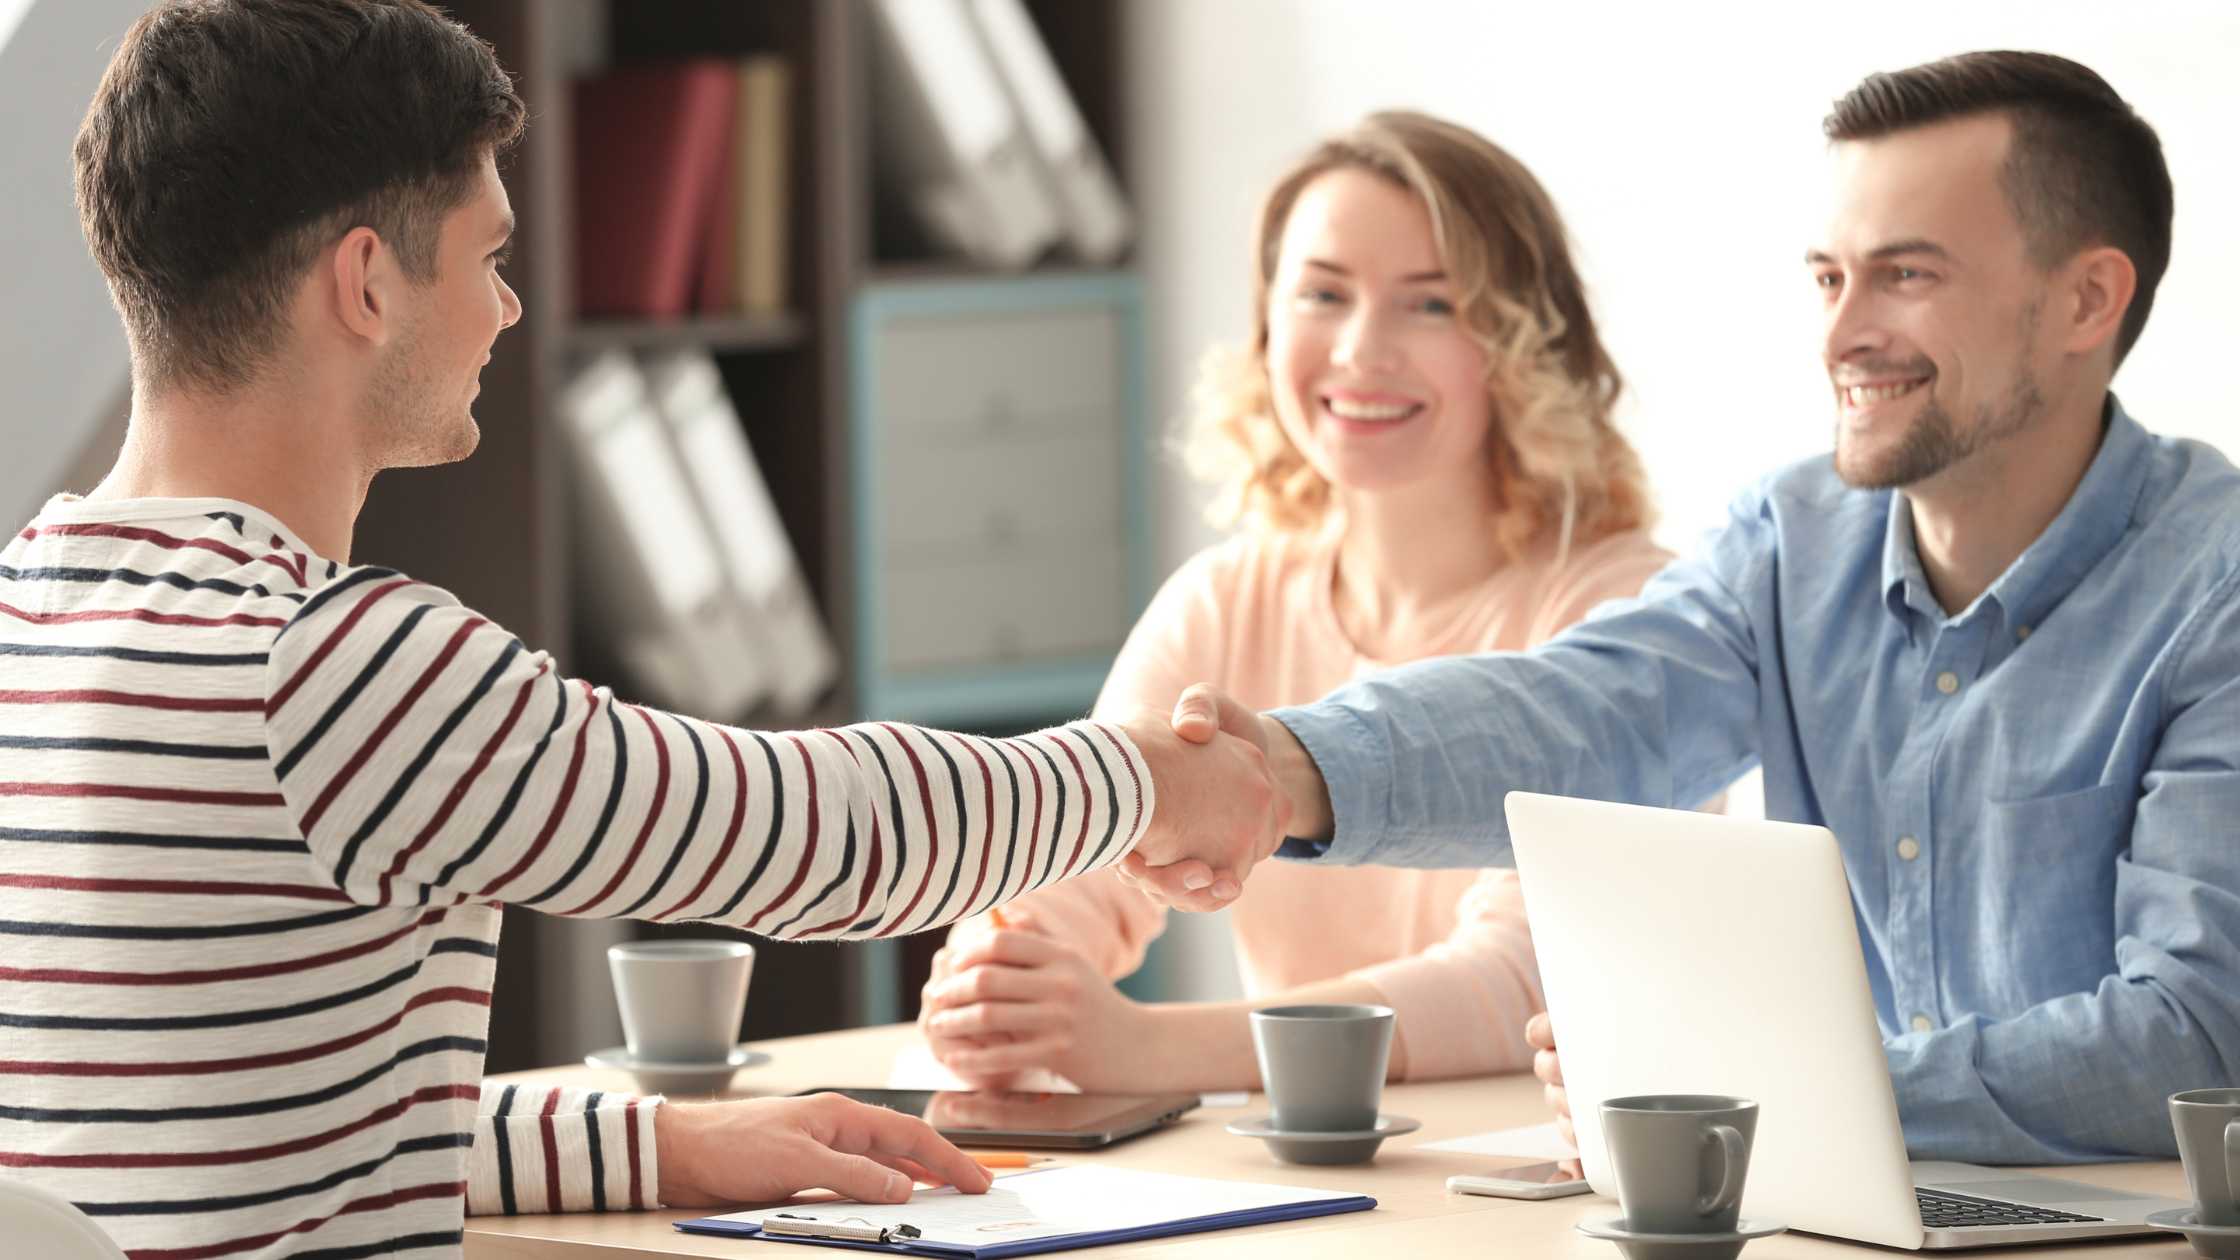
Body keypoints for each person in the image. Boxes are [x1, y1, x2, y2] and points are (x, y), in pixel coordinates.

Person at [0, 2, 1280, 1255]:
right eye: (490, 256)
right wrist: (1148, 781)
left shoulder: (23, 613)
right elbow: (812, 837)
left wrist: (660, 1143)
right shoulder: (332, 666)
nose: (506, 309)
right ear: (367, 282)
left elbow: (246, 1135)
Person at [1134, 50, 2240, 1164]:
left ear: (2086, 300)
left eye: (1904, 275)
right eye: (1826, 278)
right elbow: (1586, 714)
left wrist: (1776, 1089)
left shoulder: (2217, 590)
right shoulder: (1788, 541)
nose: (1840, 333)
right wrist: (1287, 770)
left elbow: (2197, 1036)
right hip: (1857, 1217)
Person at [914, 112, 1677, 1092]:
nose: (1360, 351)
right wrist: (999, 976)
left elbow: (1525, 976)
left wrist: (1151, 1049)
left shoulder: (1623, 608)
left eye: (1430, 305)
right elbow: (1074, 856)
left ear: (1525, 343)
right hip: (1290, 1183)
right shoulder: (1223, 602)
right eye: (1321, 293)